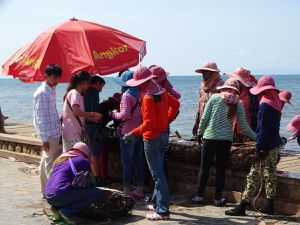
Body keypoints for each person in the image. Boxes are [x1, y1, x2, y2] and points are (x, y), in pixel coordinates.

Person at [124, 66, 180, 221]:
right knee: (159, 171)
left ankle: (163, 211)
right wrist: (166, 120)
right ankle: (156, 202)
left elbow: (148, 124)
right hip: (163, 136)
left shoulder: (148, 97)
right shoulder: (161, 92)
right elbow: (176, 106)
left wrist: (132, 133)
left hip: (151, 139)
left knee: (158, 176)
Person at [192, 78, 256, 206]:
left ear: (224, 87)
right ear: (236, 90)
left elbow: (204, 118)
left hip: (209, 138)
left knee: (204, 168)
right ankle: (217, 199)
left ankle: (199, 196)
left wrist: (200, 133)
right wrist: (257, 137)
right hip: (225, 141)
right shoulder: (238, 103)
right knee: (221, 170)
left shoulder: (215, 98)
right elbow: (244, 126)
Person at [225, 76, 283, 216]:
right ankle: (269, 205)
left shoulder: (264, 105)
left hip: (265, 146)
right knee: (270, 175)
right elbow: (272, 128)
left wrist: (259, 149)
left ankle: (243, 206)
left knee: (253, 175)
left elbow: (263, 129)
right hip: (274, 144)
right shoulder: (276, 103)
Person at [45, 142, 102, 225]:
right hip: (61, 196)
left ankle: (56, 211)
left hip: (49, 197)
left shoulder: (59, 161)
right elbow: (90, 181)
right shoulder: (82, 160)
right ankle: (67, 211)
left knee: (69, 190)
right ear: (85, 152)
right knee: (96, 193)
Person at [111, 70, 144, 199]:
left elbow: (125, 115)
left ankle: (127, 189)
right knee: (138, 161)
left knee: (126, 162)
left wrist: (113, 114)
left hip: (127, 133)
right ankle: (140, 189)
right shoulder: (142, 93)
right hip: (140, 131)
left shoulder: (126, 95)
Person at [33, 64, 62, 195]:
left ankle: (45, 190)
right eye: (54, 78)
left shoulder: (50, 90)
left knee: (46, 161)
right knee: (49, 163)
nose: (56, 81)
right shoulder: (42, 93)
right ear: (46, 76)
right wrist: (44, 138)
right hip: (49, 134)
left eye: (58, 78)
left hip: (53, 131)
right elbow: (40, 117)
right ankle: (50, 191)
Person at [62, 71, 102, 152]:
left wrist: (91, 119)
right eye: (88, 83)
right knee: (74, 158)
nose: (89, 85)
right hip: (72, 132)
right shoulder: (75, 94)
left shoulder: (75, 93)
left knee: (71, 158)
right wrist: (93, 114)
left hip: (72, 131)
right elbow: (76, 112)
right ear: (83, 83)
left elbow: (78, 115)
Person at [225, 67, 259, 141]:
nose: (235, 81)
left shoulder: (250, 96)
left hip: (247, 133)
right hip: (236, 132)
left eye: (237, 80)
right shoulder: (237, 93)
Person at [84, 75, 106, 186]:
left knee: (91, 153)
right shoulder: (93, 92)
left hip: (86, 126)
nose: (101, 89)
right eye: (101, 86)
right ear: (97, 83)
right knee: (95, 154)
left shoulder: (85, 91)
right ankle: (97, 178)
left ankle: (94, 176)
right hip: (93, 127)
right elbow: (93, 110)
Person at [192, 61, 224, 136]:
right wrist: (197, 123)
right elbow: (200, 105)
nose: (203, 74)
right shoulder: (203, 85)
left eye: (205, 72)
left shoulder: (221, 85)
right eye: (202, 72)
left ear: (212, 73)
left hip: (216, 123)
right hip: (203, 120)